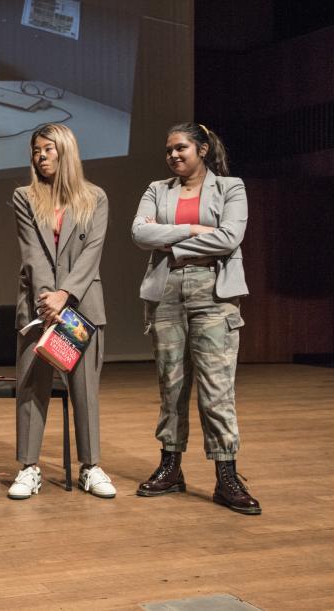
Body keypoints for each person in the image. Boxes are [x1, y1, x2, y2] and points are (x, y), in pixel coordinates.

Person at [131, 123, 260, 515]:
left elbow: (229, 237)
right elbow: (139, 233)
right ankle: (171, 467)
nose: (173, 155)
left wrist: (169, 238)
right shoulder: (157, 189)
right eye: (168, 149)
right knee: (171, 383)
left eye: (181, 147)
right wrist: (192, 229)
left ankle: (226, 475)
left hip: (214, 292)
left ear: (202, 148)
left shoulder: (230, 187)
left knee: (216, 388)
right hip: (167, 290)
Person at [9, 123, 115, 500]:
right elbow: (32, 253)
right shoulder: (24, 196)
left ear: (65, 151)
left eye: (48, 149)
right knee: (32, 388)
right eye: (36, 150)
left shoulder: (94, 197)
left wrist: (65, 294)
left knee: (85, 391)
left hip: (81, 309)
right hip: (40, 308)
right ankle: (28, 468)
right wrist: (47, 298)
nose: (41, 156)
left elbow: (93, 253)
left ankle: (91, 467)